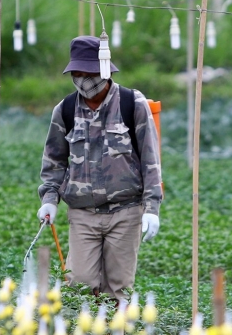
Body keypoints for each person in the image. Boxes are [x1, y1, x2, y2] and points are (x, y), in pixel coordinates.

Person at [37, 36, 162, 302]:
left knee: (119, 288)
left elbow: (151, 160)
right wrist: (49, 199)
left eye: (90, 73)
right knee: (80, 285)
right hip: (83, 214)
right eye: (77, 73)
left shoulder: (132, 104)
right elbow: (54, 160)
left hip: (126, 212)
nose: (84, 79)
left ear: (105, 71)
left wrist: (152, 208)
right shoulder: (66, 109)